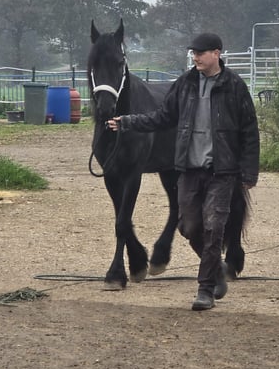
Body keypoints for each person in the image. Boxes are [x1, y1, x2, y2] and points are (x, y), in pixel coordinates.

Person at [107, 32, 259, 311]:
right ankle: (216, 270)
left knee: (213, 227)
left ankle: (206, 290)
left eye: (200, 52)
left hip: (222, 171)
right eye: (193, 52)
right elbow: (163, 116)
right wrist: (128, 122)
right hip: (189, 169)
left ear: (216, 53)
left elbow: (250, 131)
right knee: (188, 227)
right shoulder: (185, 84)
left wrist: (249, 173)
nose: (195, 57)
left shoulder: (234, 86)